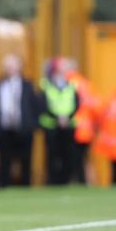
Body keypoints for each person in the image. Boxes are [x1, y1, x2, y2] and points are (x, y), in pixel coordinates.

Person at [0, 54, 39, 186]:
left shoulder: (28, 85)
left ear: (19, 67)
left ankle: (26, 186)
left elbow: (35, 106)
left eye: (12, 66)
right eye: (7, 66)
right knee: (4, 161)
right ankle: (3, 186)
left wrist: (32, 125)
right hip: (5, 130)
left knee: (25, 161)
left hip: (24, 130)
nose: (9, 69)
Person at [39, 57, 79, 185]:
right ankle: (52, 181)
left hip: (68, 125)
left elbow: (76, 103)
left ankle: (65, 180)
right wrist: (58, 118)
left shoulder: (71, 85)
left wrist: (67, 117)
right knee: (52, 156)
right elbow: (42, 104)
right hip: (51, 126)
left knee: (68, 155)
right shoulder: (45, 84)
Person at [93, 80, 116, 185]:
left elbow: (103, 114)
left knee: (115, 167)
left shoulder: (114, 96)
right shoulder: (115, 96)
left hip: (114, 141)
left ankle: (114, 182)